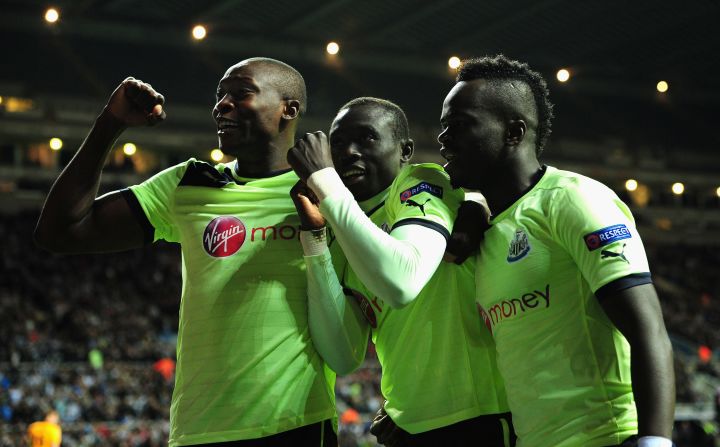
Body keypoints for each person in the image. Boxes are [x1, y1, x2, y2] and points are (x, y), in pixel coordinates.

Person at [34, 58, 337, 446]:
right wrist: (110, 124)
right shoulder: (190, 182)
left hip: (298, 423)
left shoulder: (326, 190)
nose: (222, 105)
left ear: (288, 109)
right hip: (198, 429)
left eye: (240, 94)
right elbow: (58, 233)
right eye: (219, 96)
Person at [437, 54, 675, 447]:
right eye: (444, 127)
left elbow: (648, 329)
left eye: (459, 126)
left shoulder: (574, 200)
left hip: (608, 436)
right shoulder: (483, 232)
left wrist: (654, 442)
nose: (444, 138)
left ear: (514, 132)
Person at [287, 97, 513, 446]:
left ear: (404, 150)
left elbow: (400, 283)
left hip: (478, 418)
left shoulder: (421, 182)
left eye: (366, 138)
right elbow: (342, 355)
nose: (348, 152)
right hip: (407, 425)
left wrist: (323, 180)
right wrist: (316, 241)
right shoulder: (341, 228)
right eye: (338, 143)